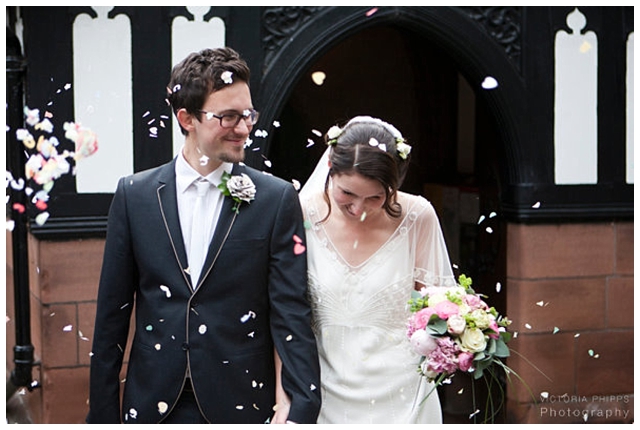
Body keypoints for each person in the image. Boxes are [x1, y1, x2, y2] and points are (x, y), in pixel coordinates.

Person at [87, 47, 321, 424]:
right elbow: (112, 315)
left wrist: (302, 408)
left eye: (248, 115)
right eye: (228, 117)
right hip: (153, 400)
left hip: (243, 400)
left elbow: (291, 310)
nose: (244, 128)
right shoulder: (135, 196)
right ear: (187, 118)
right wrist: (102, 416)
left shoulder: (275, 199)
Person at [299, 116, 457, 423]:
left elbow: (441, 307)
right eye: (347, 193)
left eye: (375, 197)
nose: (358, 208)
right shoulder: (302, 212)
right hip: (323, 393)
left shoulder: (418, 216)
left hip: (404, 398)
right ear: (329, 166)